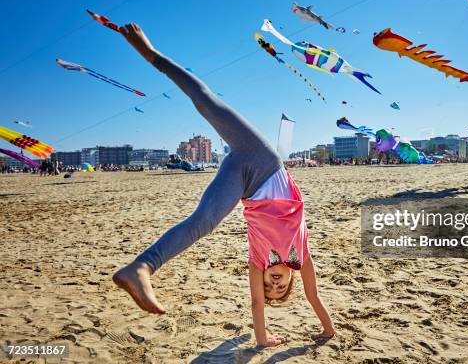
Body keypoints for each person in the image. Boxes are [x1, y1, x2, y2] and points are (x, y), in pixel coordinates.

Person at [112, 23, 335, 347]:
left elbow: (257, 304)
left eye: (269, 287)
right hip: (262, 159)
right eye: (280, 287)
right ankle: (152, 54)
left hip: (244, 184)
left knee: (203, 222)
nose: (273, 285)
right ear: (291, 280)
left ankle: (141, 267)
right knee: (206, 102)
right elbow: (314, 296)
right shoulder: (301, 257)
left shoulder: (258, 262)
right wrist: (329, 331)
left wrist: (263, 339)